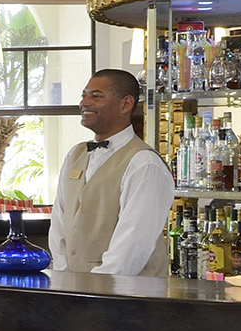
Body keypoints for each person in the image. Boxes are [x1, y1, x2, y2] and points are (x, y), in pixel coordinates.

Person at [50, 68, 175, 278]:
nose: (84, 103)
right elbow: (59, 226)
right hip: (74, 294)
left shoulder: (144, 163)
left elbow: (132, 245)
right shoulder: (75, 154)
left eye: (96, 96)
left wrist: (97, 292)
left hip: (129, 299)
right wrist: (65, 281)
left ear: (125, 104)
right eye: (84, 95)